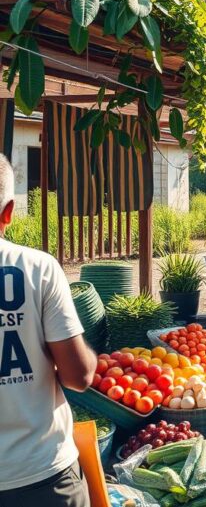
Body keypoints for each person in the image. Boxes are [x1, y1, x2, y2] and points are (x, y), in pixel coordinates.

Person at [0, 156, 96, 507]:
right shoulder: (36, 268)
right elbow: (78, 376)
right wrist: (91, 354)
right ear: (9, 211)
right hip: (41, 475)